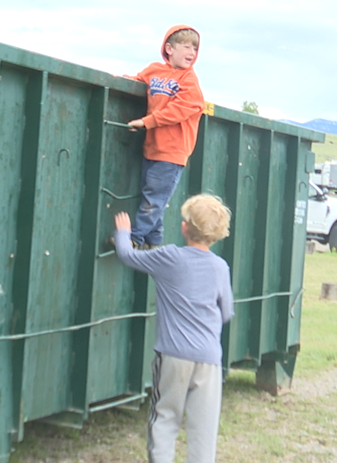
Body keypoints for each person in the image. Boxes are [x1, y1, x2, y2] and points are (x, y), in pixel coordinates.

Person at [113, 194, 234, 463]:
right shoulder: (220, 268)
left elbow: (127, 255)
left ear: (184, 227)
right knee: (203, 430)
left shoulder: (169, 257)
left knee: (165, 419)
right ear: (216, 235)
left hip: (173, 357)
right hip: (209, 361)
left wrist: (123, 231)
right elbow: (226, 312)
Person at [126, 24, 205, 248]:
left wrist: (145, 122)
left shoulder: (190, 81)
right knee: (151, 197)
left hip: (173, 151)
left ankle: (134, 238)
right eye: (186, 46)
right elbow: (138, 80)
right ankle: (154, 243)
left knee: (154, 199)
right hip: (152, 147)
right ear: (169, 49)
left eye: (195, 49)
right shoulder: (154, 71)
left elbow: (178, 110)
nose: (192, 53)